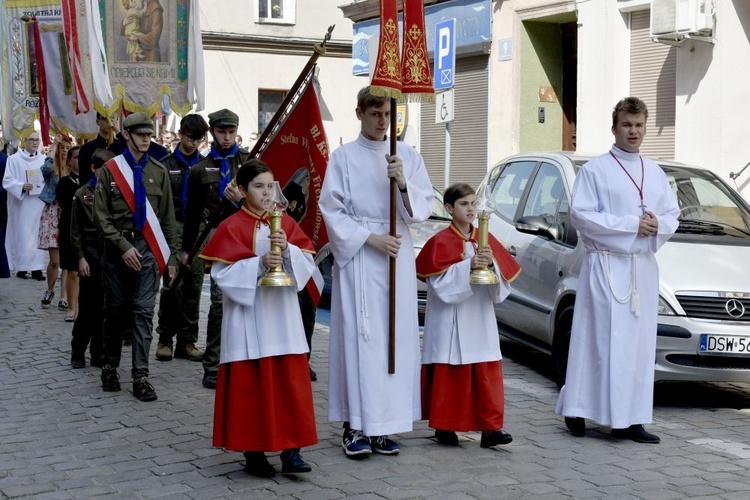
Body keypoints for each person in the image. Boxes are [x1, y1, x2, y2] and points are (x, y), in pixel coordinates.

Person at [555, 97, 680, 444]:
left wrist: (657, 224)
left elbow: (672, 214)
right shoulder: (595, 170)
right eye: (627, 125)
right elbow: (581, 215)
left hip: (641, 269)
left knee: (637, 349)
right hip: (606, 266)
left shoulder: (654, 172)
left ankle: (631, 418)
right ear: (614, 128)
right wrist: (630, 224)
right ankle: (578, 408)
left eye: (639, 125)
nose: (634, 131)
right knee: (598, 341)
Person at [319, 86, 434, 458]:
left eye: (387, 114)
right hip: (361, 259)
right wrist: (371, 239)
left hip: (397, 256)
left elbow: (421, 210)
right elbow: (331, 211)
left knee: (395, 340)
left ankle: (385, 425)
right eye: (375, 114)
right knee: (360, 338)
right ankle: (355, 425)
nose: (383, 121)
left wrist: (403, 182)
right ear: (359, 114)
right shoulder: (343, 158)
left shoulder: (407, 156)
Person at [200, 160, 318, 477]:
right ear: (242, 190)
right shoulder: (231, 226)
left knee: (289, 384)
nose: (266, 193)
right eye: (258, 186)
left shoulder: (287, 225)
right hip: (249, 319)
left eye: (270, 186)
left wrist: (289, 251)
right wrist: (261, 263)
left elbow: (308, 267)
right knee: (252, 386)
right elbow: (222, 275)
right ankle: (254, 453)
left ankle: (292, 451)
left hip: (283, 318)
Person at [416, 183, 520, 448]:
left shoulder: (486, 240)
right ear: (449, 209)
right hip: (450, 317)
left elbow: (502, 284)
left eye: (474, 203)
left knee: (484, 371)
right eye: (464, 204)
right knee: (450, 370)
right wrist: (467, 266)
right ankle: (445, 425)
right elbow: (437, 285)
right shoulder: (440, 241)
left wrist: (491, 263)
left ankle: (491, 428)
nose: (471, 209)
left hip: (479, 314)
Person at [94, 112, 178, 402]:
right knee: (115, 311)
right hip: (118, 252)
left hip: (148, 250)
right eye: (140, 135)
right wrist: (121, 245)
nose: (146, 139)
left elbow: (168, 219)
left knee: (143, 313)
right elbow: (101, 216)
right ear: (127, 135)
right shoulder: (110, 170)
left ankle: (140, 376)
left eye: (149, 135)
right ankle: (109, 366)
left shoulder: (158, 171)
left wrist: (172, 259)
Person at [182, 108, 250, 389]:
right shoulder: (199, 170)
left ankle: (244, 363)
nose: (226, 137)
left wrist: (242, 198)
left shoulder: (250, 163)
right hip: (218, 239)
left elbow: (268, 201)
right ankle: (212, 365)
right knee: (220, 305)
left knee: (248, 302)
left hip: (247, 239)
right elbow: (193, 215)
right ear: (212, 133)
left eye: (231, 132)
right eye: (221, 132)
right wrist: (187, 250)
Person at [154, 114, 209, 363]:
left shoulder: (207, 166)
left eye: (198, 139)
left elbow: (212, 200)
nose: (193, 143)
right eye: (189, 137)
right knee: (172, 284)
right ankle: (165, 337)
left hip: (197, 228)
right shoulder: (165, 165)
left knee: (194, 286)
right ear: (181, 134)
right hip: (173, 227)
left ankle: (187, 341)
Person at [71, 148, 115, 368]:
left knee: (105, 308)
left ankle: (98, 353)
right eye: (103, 169)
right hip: (89, 255)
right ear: (94, 169)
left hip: (109, 257)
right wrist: (81, 258)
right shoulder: (82, 194)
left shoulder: (115, 193)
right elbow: (76, 231)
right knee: (88, 307)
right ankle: (78, 349)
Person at [2, 131, 47, 280]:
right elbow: (7, 180)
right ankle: (21, 268)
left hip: (38, 203)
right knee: (22, 235)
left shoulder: (44, 159)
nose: (35, 143)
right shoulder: (13, 160)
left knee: (37, 236)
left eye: (37, 140)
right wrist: (21, 186)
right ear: (24, 141)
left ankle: (38, 269)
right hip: (21, 205)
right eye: (31, 140)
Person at [38, 136, 72, 307]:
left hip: (67, 213)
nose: (65, 151)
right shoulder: (53, 168)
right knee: (55, 260)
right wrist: (54, 145)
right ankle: (50, 289)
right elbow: (45, 168)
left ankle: (64, 297)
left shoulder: (72, 169)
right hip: (53, 212)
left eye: (67, 148)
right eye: (63, 148)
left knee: (66, 260)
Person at [56, 146, 82, 321]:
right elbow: (65, 205)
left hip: (89, 230)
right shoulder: (65, 183)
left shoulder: (92, 181)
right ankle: (71, 308)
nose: (79, 161)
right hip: (69, 229)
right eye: (76, 157)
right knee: (72, 270)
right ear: (70, 161)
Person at [79, 113, 114, 184]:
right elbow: (84, 178)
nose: (109, 121)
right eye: (105, 118)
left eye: (112, 118)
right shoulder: (87, 149)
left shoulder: (120, 145)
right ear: (97, 122)